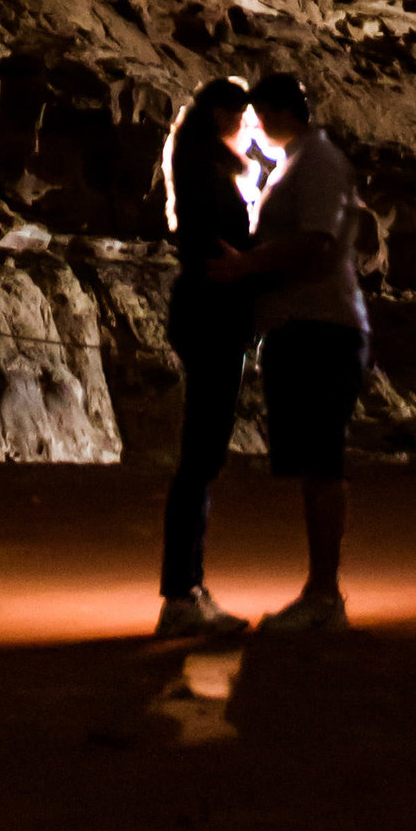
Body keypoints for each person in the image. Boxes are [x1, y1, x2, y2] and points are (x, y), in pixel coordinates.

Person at [209, 69, 367, 633]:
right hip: (305, 324)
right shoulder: (301, 162)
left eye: (256, 115)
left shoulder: (316, 162)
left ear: (274, 111)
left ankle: (325, 595)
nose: (251, 128)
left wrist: (244, 265)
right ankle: (320, 591)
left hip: (319, 326)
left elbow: (316, 239)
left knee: (322, 459)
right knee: (312, 461)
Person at [155, 77, 260, 644]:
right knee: (200, 456)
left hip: (207, 314)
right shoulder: (204, 170)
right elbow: (219, 246)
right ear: (222, 113)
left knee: (202, 455)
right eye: (241, 116)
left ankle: (188, 587)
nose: (246, 127)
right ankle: (181, 591)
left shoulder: (199, 162)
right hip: (212, 317)